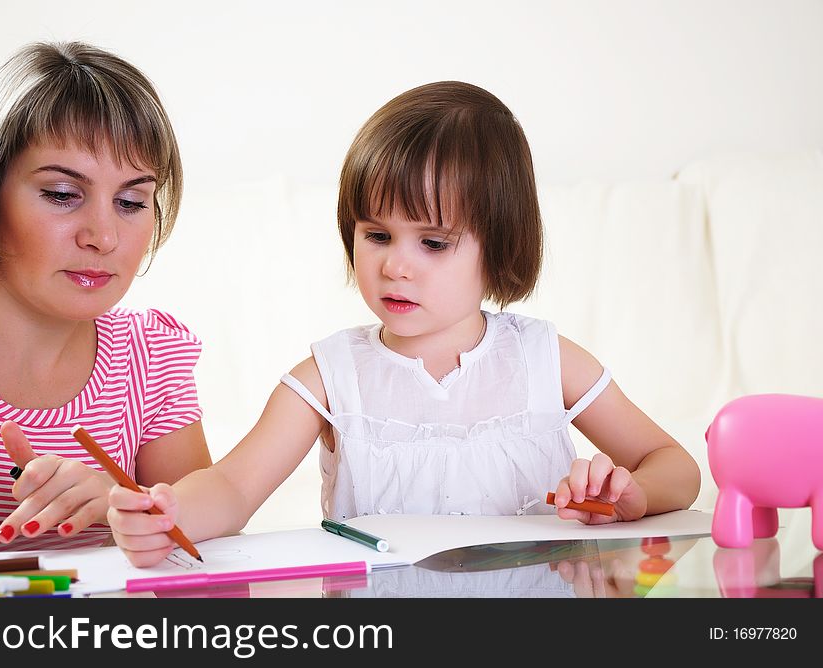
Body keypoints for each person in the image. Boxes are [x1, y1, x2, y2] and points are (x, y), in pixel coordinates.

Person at [109, 81, 701, 567]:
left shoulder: (547, 359)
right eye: (377, 235)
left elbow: (675, 466)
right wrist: (167, 509)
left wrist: (630, 495)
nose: (395, 265)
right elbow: (234, 488)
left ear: (499, 248)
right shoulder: (328, 379)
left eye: (434, 242)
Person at [0, 41, 212, 547]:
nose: (103, 237)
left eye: (131, 201)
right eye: (63, 195)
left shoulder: (151, 358)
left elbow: (215, 584)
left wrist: (133, 509)